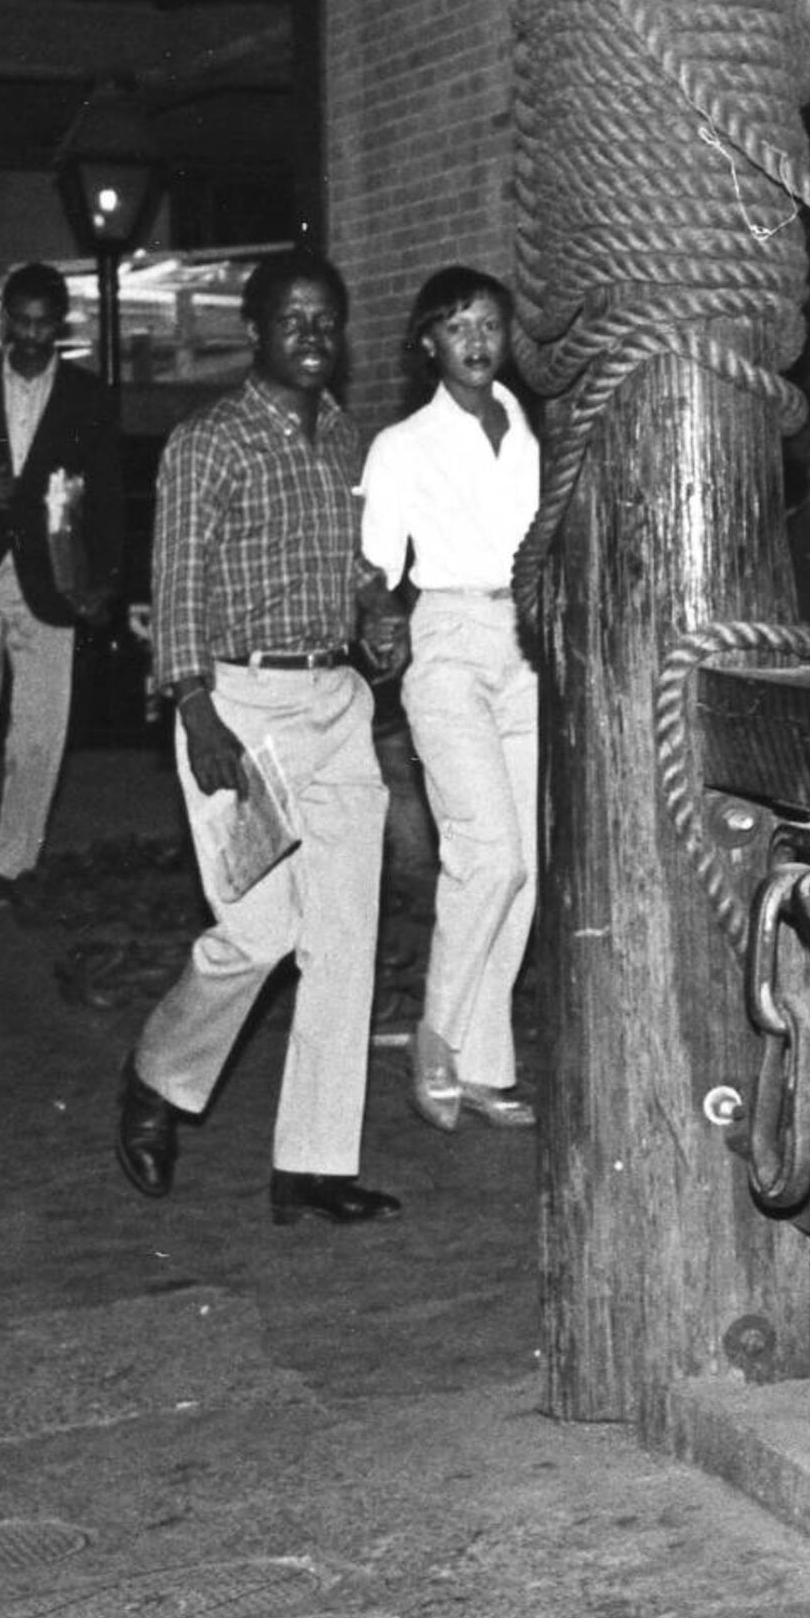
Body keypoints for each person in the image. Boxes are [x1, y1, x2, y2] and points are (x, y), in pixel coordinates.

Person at [118, 256, 399, 1225]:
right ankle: (157, 1073)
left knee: (346, 940)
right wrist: (196, 710)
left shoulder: (346, 438)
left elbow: (354, 565)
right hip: (243, 711)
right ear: (255, 330)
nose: (313, 336)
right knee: (259, 930)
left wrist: (377, 609)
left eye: (328, 320)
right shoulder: (209, 441)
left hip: (337, 704)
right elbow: (176, 581)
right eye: (293, 320)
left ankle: (313, 1168)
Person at [357, 266, 544, 1130]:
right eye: (458, 325)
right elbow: (375, 567)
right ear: (429, 341)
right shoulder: (402, 444)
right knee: (488, 854)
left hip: (526, 647)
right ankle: (435, 1035)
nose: (477, 340)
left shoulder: (526, 427)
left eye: (490, 325)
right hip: (448, 642)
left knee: (522, 870)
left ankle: (482, 1066)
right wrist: (377, 613)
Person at [0, 263, 124, 902]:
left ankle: (12, 864)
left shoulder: (88, 395)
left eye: (45, 325)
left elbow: (108, 495)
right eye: (23, 322)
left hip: (52, 581)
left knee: (38, 734)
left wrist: (103, 580)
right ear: (5, 320)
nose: (34, 336)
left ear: (60, 323)